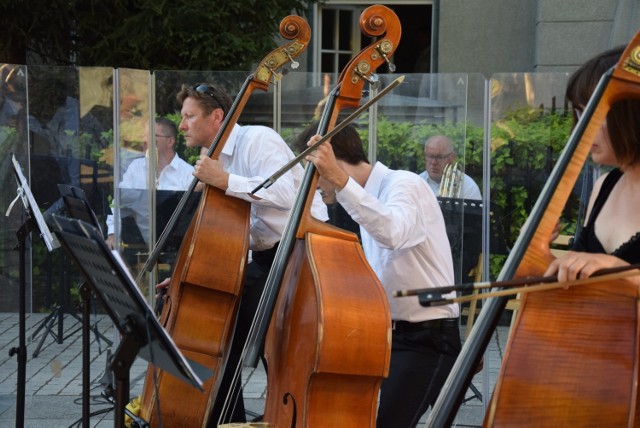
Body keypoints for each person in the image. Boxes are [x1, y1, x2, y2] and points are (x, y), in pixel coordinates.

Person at [171, 83, 328, 424]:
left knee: (264, 349)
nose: (182, 125)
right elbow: (229, 235)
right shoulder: (215, 158)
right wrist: (190, 273)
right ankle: (228, 421)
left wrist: (225, 180)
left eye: (189, 116)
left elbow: (288, 193)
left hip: (300, 253)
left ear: (216, 117)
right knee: (222, 340)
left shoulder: (257, 139)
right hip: (266, 259)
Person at [304, 124, 461, 428]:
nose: (314, 184)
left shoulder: (404, 184)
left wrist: (339, 179)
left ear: (332, 160)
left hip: (427, 335)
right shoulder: (364, 197)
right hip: (389, 334)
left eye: (316, 171)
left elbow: (393, 232)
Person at [544, 45, 640, 282]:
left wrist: (622, 270)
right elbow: (580, 294)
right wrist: (539, 252)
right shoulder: (604, 186)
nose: (584, 126)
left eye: (596, 113)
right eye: (580, 114)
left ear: (631, 114)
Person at [105, 117, 193, 249]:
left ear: (170, 141)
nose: (146, 141)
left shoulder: (188, 174)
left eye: (153, 136)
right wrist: (112, 234)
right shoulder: (136, 168)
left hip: (176, 248)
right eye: (145, 136)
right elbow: (118, 203)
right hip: (137, 246)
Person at [419, 135, 481, 199]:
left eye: (439, 157)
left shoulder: (468, 187)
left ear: (452, 157)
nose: (433, 162)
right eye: (430, 156)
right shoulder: (416, 182)